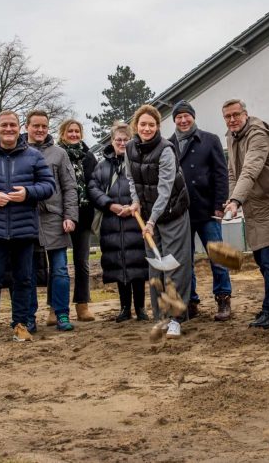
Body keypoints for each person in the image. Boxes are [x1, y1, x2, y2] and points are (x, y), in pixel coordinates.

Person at [0, 110, 55, 347]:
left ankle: (21, 324)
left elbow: (48, 185)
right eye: (4, 125)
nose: (8, 129)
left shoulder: (33, 156)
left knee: (24, 279)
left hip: (24, 228)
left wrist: (27, 193)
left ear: (19, 128)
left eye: (12, 125)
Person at [222, 99, 269, 330]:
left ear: (245, 114)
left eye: (236, 115)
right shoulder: (231, 137)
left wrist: (236, 199)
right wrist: (232, 199)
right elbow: (234, 173)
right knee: (264, 261)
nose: (232, 120)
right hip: (254, 207)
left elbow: (251, 170)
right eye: (228, 116)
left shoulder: (257, 135)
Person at [126, 105, 193, 338]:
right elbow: (131, 179)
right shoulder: (129, 148)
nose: (147, 128)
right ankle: (161, 317)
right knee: (155, 267)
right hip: (146, 215)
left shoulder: (166, 149)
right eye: (143, 124)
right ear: (136, 126)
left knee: (174, 265)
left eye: (151, 125)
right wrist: (135, 203)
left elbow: (165, 190)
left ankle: (176, 319)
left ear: (158, 127)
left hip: (173, 212)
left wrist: (152, 221)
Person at [168, 100, 233, 321]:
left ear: (193, 117)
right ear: (174, 120)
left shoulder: (209, 140)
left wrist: (220, 204)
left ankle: (223, 298)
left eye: (187, 116)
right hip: (181, 213)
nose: (183, 120)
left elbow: (221, 174)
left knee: (218, 257)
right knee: (185, 260)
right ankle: (191, 301)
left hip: (208, 210)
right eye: (179, 117)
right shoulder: (168, 145)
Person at [88, 122, 149, 322]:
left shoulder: (139, 160)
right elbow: (93, 188)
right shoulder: (102, 166)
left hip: (135, 219)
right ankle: (124, 308)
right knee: (119, 265)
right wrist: (110, 205)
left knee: (137, 265)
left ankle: (140, 308)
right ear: (112, 141)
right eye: (118, 140)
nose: (122, 143)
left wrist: (135, 204)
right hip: (112, 222)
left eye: (126, 139)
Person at [24, 110, 79, 332]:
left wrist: (70, 216)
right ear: (27, 126)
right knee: (26, 272)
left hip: (55, 219)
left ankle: (61, 314)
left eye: (44, 126)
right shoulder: (18, 153)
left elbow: (69, 187)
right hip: (26, 219)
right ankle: (28, 316)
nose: (40, 130)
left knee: (60, 271)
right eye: (35, 126)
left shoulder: (59, 154)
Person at [58, 119, 99, 322]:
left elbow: (95, 184)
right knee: (58, 265)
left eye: (77, 131)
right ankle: (55, 307)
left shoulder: (89, 157)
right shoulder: (57, 154)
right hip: (61, 215)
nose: (73, 134)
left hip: (83, 215)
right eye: (70, 131)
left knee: (82, 262)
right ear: (63, 133)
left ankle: (82, 304)